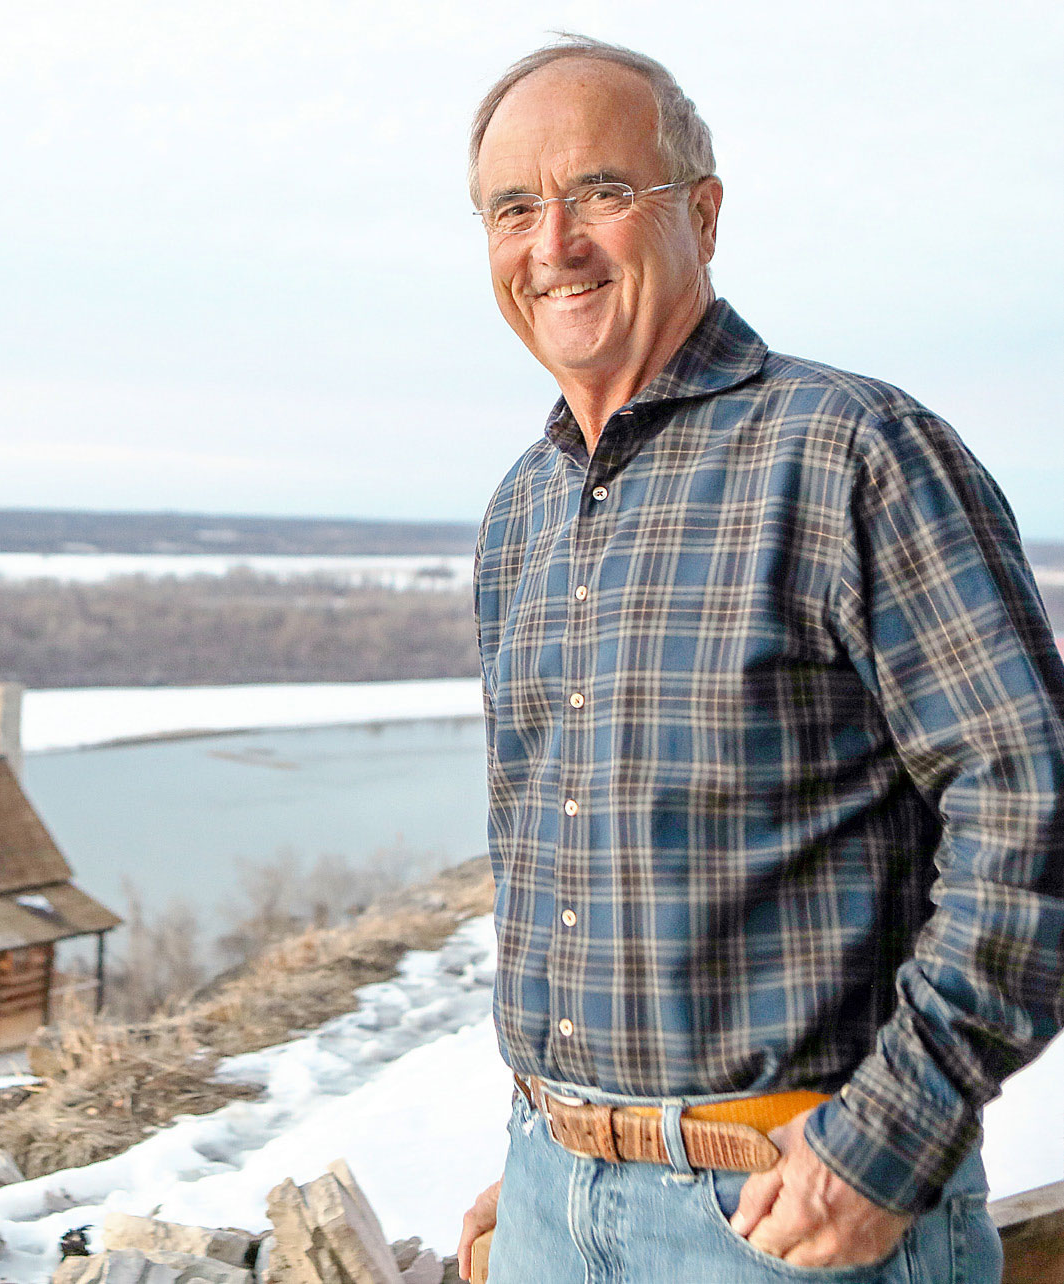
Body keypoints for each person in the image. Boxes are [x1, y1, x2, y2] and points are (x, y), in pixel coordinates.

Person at [453, 35, 1064, 1283]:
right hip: (552, 1200)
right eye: (515, 207)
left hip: (790, 1221)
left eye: (602, 193)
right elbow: (570, 862)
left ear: (705, 214)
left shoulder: (855, 453)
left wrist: (887, 1147)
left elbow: (1034, 806)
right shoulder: (521, 510)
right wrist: (560, 1154)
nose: (553, 243)